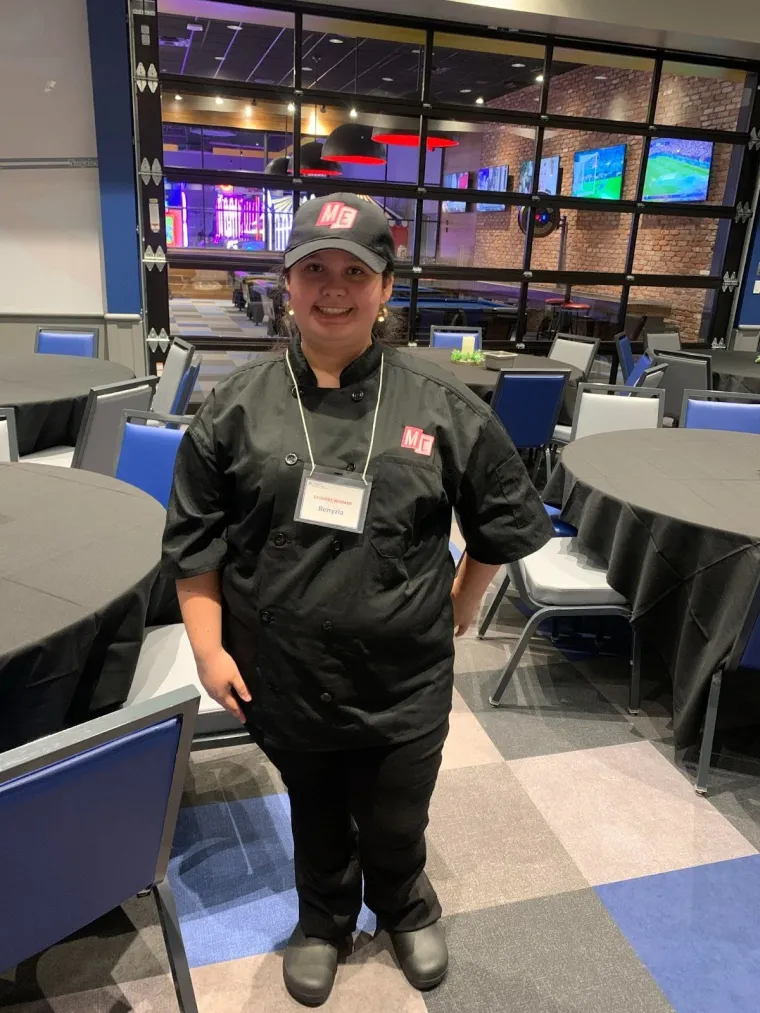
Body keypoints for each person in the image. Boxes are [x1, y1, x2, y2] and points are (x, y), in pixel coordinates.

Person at [162, 193, 553, 1007]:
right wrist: (207, 647)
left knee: (396, 809)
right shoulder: (237, 403)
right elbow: (194, 538)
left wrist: (459, 602)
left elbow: (501, 519)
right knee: (315, 805)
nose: (332, 289)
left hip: (402, 670)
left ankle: (407, 903)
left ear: (384, 289)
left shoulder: (439, 398)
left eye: (354, 272)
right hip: (286, 665)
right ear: (287, 282)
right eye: (314, 270)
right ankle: (324, 920)